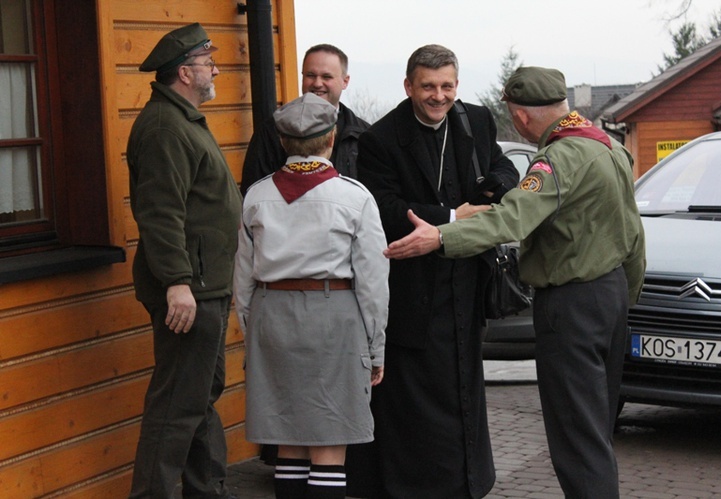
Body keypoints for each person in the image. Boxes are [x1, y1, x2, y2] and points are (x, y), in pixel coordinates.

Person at [382, 66, 647, 499]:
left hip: (571, 306)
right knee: (596, 429)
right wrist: (624, 297)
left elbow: (511, 218)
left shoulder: (558, 159)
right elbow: (633, 232)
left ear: (520, 117)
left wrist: (440, 236)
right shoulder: (610, 148)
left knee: (577, 439)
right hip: (611, 296)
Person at [352, 44, 519, 498]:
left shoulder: (476, 120)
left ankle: (467, 484)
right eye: (428, 86)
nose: (439, 96)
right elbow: (383, 207)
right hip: (414, 290)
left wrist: (494, 186)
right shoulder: (381, 139)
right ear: (409, 86)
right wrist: (450, 216)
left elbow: (504, 167)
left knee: (465, 388)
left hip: (466, 284)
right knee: (417, 402)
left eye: (447, 86)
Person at [233, 92, 390, 499]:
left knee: (288, 438)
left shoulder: (256, 196)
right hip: (333, 317)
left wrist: (253, 329)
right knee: (329, 439)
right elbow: (373, 281)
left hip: (272, 316)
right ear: (332, 139)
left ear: (283, 143)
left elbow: (243, 275)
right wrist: (376, 346)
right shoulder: (355, 197)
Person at [126, 23, 242, 498]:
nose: (215, 69)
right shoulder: (163, 127)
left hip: (206, 286)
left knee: (199, 399)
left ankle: (206, 490)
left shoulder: (184, 119)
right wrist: (176, 282)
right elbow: (160, 212)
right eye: (207, 62)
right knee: (175, 408)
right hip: (188, 292)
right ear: (184, 72)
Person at [240, 43, 369, 194]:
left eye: (326, 77)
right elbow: (254, 190)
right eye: (310, 75)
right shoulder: (273, 130)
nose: (317, 83)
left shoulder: (363, 134)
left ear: (345, 81)